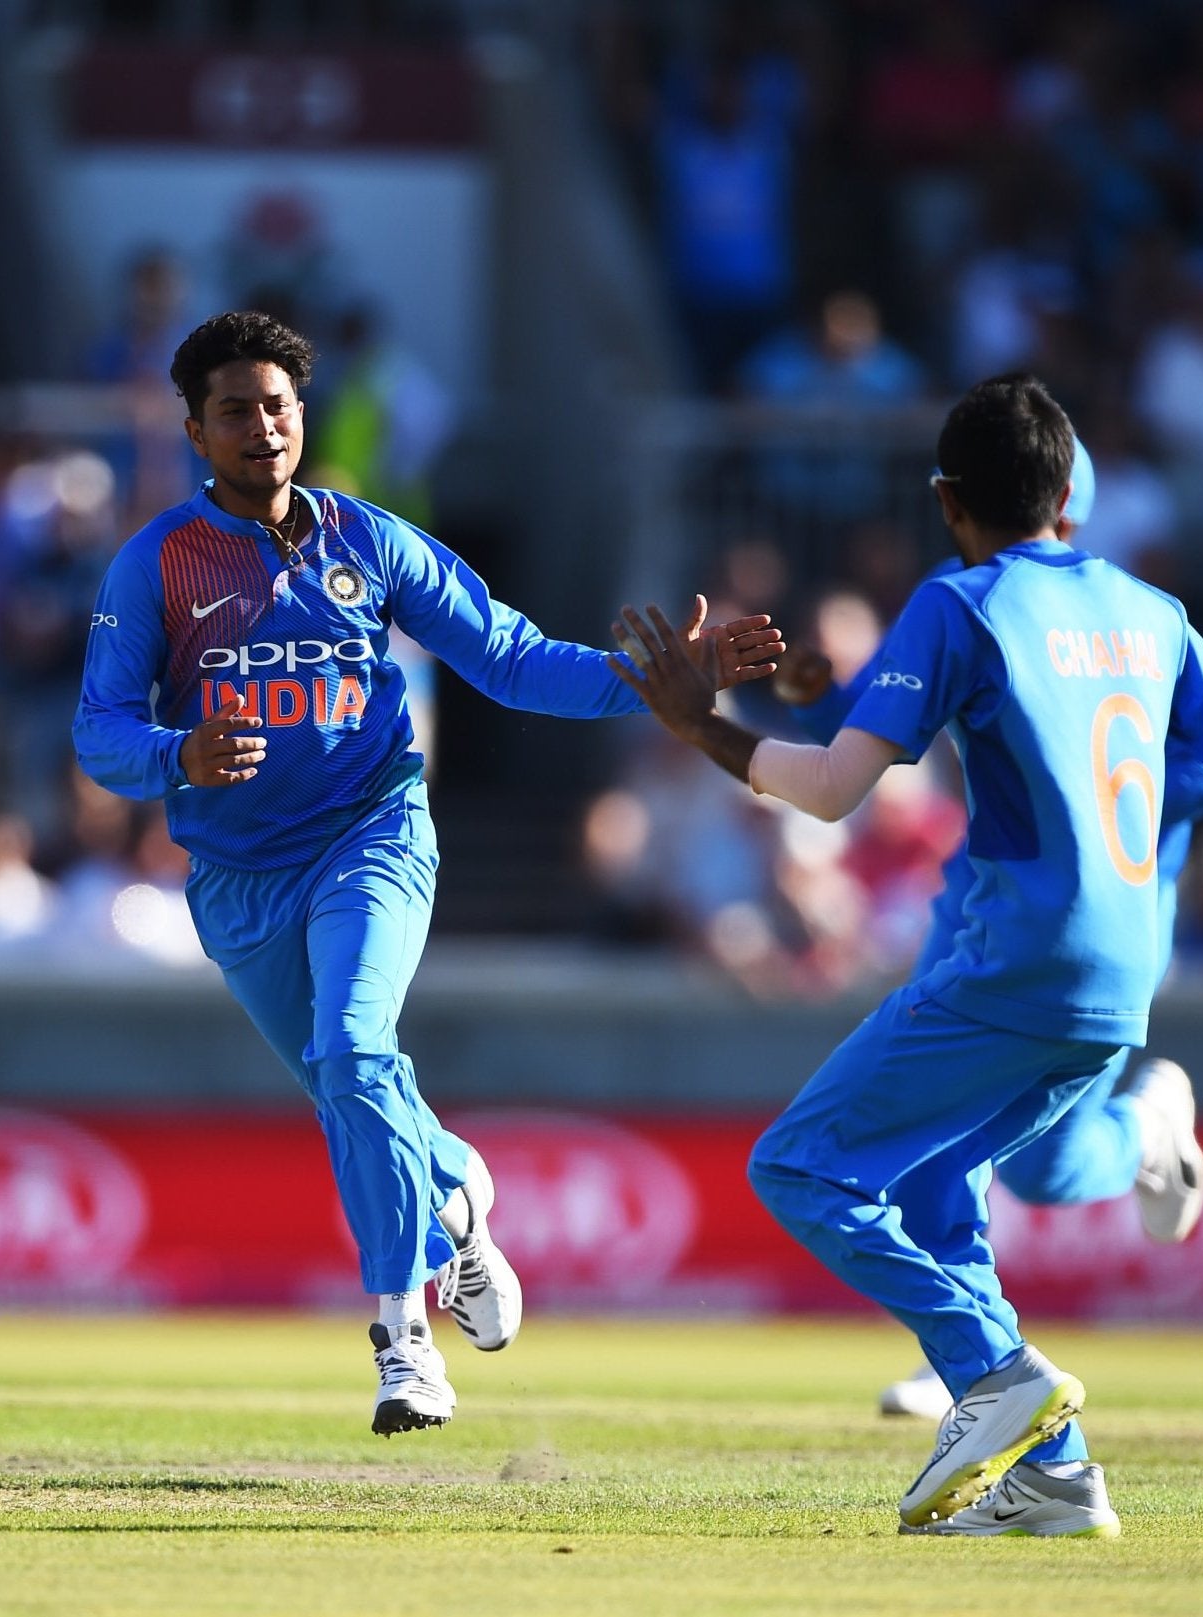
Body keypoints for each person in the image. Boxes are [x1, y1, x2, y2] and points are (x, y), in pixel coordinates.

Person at [611, 374, 1203, 1537]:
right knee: (939, 1180)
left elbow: (832, 789)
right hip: (1124, 978)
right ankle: (1057, 1480)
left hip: (1013, 963)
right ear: (1063, 494)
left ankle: (994, 1374)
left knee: (800, 1168)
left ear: (948, 500)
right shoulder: (1145, 607)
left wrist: (700, 726)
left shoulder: (960, 602)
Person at [74, 310, 781, 1435]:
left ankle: (403, 1347)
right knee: (350, 1092)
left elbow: (507, 658)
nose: (260, 427)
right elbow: (98, 733)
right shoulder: (156, 562)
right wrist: (178, 754)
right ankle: (456, 1192)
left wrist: (652, 678)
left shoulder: (373, 541)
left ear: (300, 415)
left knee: (354, 1051)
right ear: (195, 434)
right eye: (233, 413)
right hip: (237, 876)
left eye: (276, 406)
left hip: (372, 832)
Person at [752, 439, 1203, 1423]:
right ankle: (975, 1360)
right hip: (993, 893)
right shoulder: (1085, 606)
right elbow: (899, 716)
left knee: (1002, 1159)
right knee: (986, 1156)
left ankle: (996, 1340)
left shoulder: (1065, 607)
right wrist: (821, 697)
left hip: (1088, 913)